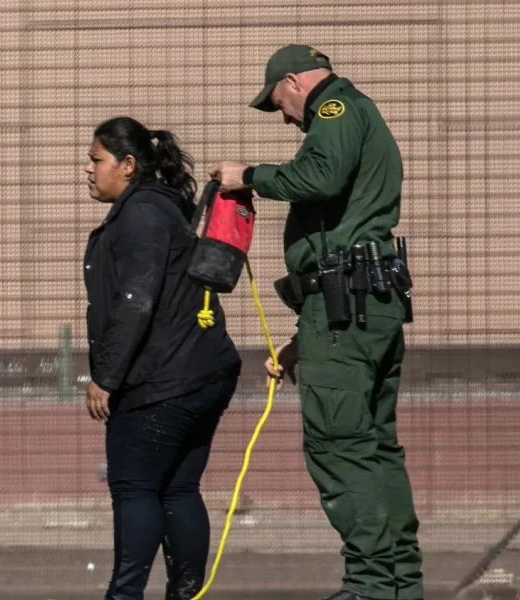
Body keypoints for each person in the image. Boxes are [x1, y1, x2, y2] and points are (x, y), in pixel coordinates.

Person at [211, 44, 423, 600]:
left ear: (295, 82)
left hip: (347, 310)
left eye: (277, 100)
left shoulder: (336, 110)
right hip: (354, 309)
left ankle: (371, 588)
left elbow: (321, 177)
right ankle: (400, 586)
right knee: (374, 447)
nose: (282, 115)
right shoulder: (356, 116)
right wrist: (302, 342)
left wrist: (248, 175)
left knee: (339, 446)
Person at [82, 116, 242, 600]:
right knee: (177, 488)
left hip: (163, 381)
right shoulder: (160, 208)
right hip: (198, 374)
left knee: (135, 488)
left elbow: (137, 299)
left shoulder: (143, 214)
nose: (87, 170)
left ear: (127, 165)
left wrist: (105, 377)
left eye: (96, 160)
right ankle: (186, 593)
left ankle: (124, 594)